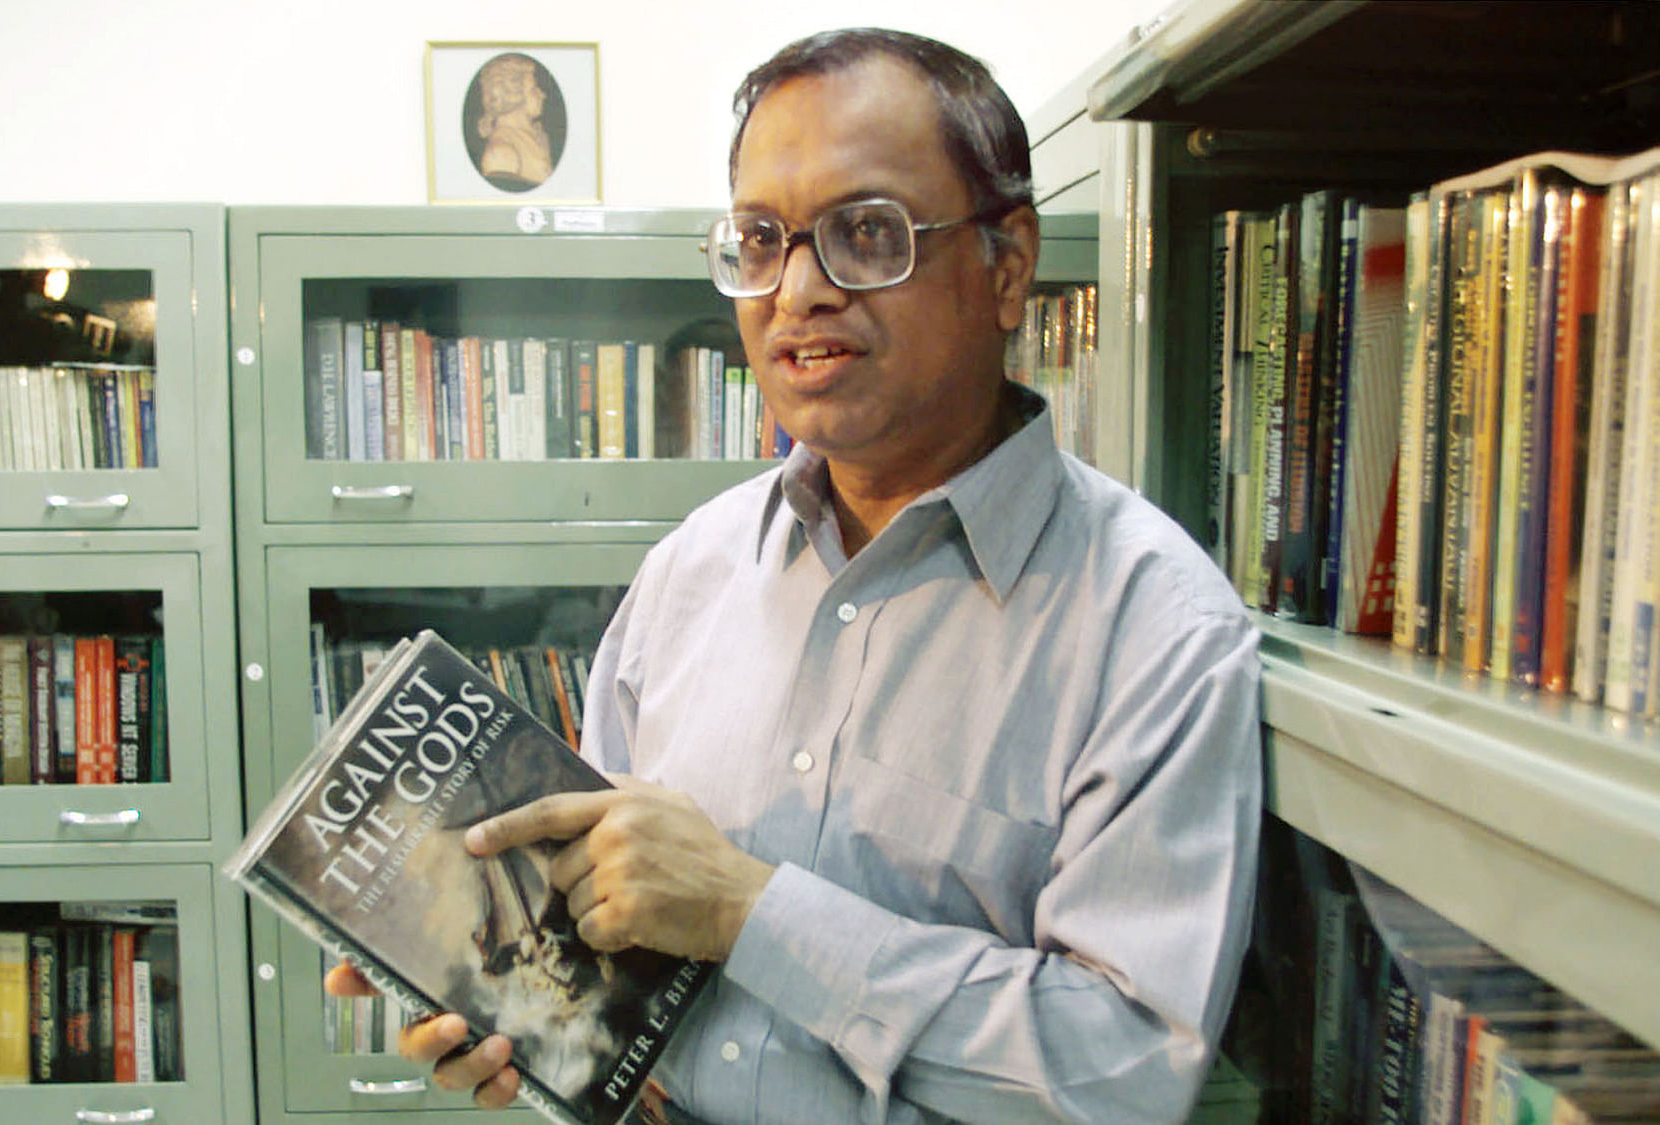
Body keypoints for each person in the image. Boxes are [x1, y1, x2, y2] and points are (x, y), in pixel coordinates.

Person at [331, 27, 1262, 1124]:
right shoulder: (686, 574)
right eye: (761, 239)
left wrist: (751, 913)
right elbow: (605, 946)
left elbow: (1119, 1072)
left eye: (865, 233)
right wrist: (520, 1020)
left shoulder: (1157, 628)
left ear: (1006, 266)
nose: (799, 289)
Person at [473, 53, 554, 190]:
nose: (542, 94)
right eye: (533, 89)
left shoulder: (535, 138)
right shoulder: (501, 152)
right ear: (514, 97)